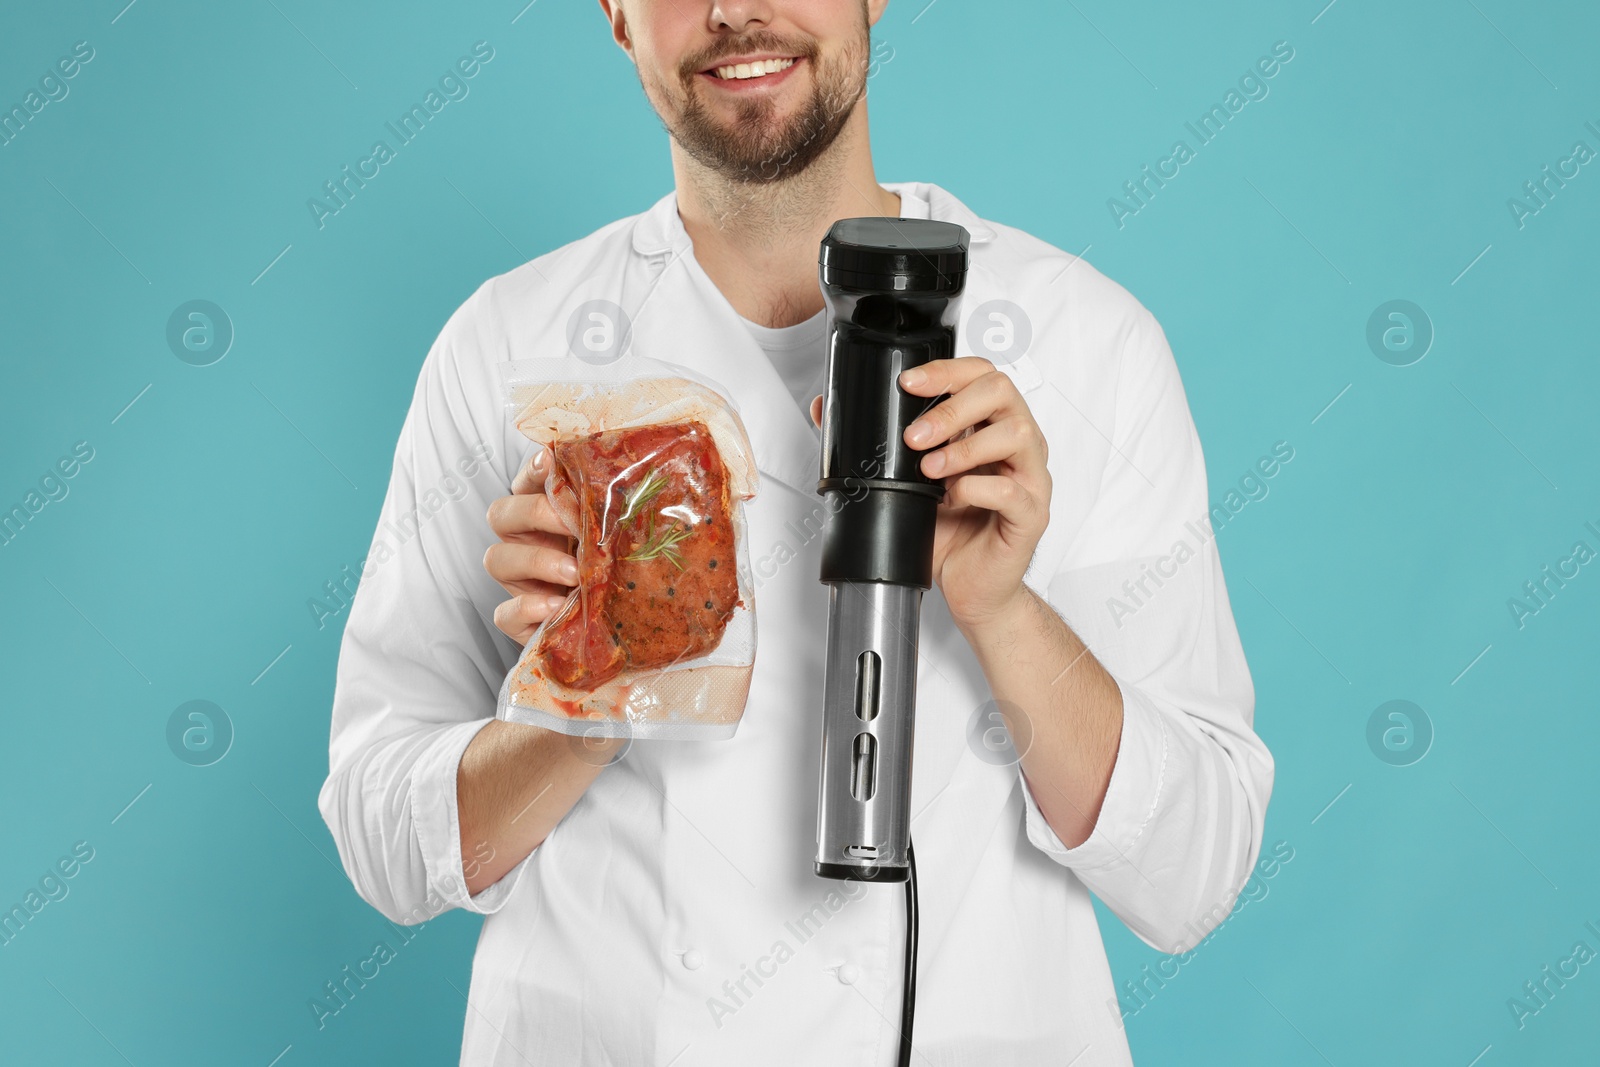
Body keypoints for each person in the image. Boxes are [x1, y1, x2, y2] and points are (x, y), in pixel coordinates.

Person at [317, 1, 1275, 1063]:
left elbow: (1194, 873)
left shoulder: (1089, 344)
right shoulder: (508, 344)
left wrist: (1001, 612)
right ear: (615, 14)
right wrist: (601, 684)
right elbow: (385, 848)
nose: (734, 10)